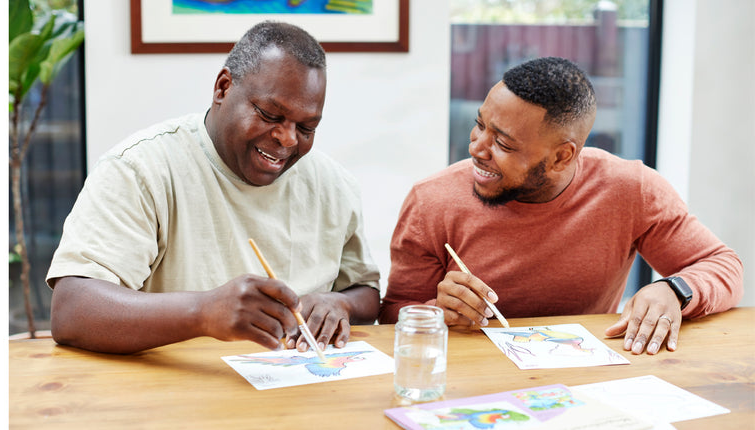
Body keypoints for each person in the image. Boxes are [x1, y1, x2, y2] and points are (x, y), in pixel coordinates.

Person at [45, 21, 380, 354]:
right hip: (174, 382)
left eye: (306, 128)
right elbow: (72, 310)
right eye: (270, 115)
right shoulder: (141, 169)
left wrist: (339, 304)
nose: (288, 138)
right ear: (223, 88)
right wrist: (202, 312)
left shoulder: (333, 185)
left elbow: (365, 292)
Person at [380, 57, 743, 356]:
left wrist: (675, 289)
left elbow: (723, 266)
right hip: (469, 378)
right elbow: (394, 314)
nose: (476, 147)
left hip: (583, 374)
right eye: (480, 125)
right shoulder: (431, 200)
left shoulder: (631, 189)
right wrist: (438, 311)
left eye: (503, 144)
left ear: (561, 157)